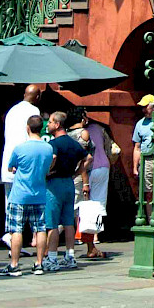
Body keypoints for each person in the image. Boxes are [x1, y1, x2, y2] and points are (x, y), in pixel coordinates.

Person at [0, 114, 52, 277]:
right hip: (39, 193)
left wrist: (17, 169)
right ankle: (39, 264)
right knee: (40, 229)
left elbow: (10, 167)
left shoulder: (20, 148)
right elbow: (47, 168)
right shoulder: (48, 148)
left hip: (20, 194)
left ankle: (14, 265)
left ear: (27, 128)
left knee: (17, 230)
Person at [44, 111, 89, 270]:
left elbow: (54, 158)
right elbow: (88, 158)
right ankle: (70, 256)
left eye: (49, 122)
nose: (47, 125)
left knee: (53, 223)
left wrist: (47, 171)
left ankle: (52, 257)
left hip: (54, 184)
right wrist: (77, 172)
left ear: (57, 124)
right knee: (69, 221)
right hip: (69, 183)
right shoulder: (74, 143)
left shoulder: (54, 144)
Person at [1, 85, 42, 257]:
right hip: (24, 165)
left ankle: (12, 239)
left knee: (10, 203)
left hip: (8, 162)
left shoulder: (11, 111)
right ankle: (15, 237)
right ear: (38, 97)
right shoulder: (34, 111)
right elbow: (31, 137)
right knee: (27, 206)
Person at [69, 108, 112, 258]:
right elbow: (108, 147)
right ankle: (94, 236)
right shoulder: (97, 129)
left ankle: (84, 237)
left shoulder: (71, 134)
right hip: (100, 167)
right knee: (96, 203)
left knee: (81, 205)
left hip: (85, 172)